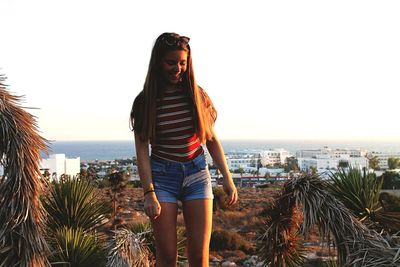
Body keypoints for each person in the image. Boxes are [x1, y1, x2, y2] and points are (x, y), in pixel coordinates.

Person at [130, 32, 238, 267]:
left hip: (197, 175)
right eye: (171, 62)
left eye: (182, 62)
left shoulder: (197, 96)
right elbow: (141, 150)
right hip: (162, 178)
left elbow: (211, 140)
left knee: (199, 259)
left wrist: (227, 178)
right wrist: (149, 192)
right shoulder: (145, 102)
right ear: (158, 62)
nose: (177, 68)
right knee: (167, 258)